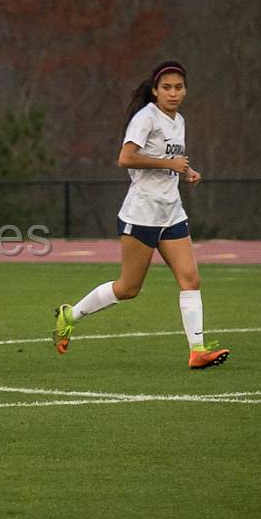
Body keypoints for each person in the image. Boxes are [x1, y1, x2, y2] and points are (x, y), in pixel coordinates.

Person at [52, 62, 230, 369]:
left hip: (171, 212)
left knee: (191, 279)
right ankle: (70, 315)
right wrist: (169, 165)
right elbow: (126, 158)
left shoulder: (179, 121)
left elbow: (171, 159)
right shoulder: (146, 118)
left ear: (185, 90)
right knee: (128, 288)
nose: (173, 93)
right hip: (142, 213)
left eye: (178, 87)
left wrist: (187, 171)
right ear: (155, 91)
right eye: (167, 88)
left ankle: (197, 350)